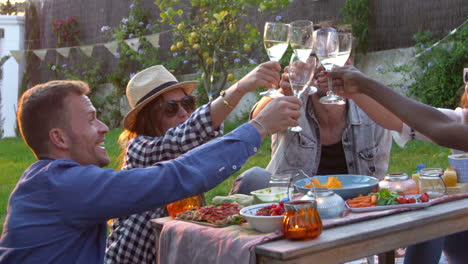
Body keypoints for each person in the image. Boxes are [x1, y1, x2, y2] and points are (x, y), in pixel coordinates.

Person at [0, 80, 301, 263]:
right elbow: (175, 176)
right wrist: (259, 127)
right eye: (91, 119)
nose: (104, 127)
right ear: (59, 139)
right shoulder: (60, 184)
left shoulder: (49, 182)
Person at [105, 62, 283, 264]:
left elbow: (212, 146)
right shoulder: (140, 149)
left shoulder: (186, 148)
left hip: (178, 249)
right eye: (171, 108)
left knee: (257, 178)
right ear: (148, 119)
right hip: (141, 259)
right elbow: (190, 132)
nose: (183, 113)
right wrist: (240, 88)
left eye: (188, 103)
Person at [325, 65, 468, 264]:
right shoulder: (463, 120)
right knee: (431, 212)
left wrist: (366, 85)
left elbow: (439, 127)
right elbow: (401, 119)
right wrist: (356, 92)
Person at [230, 48, 392, 195]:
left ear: (348, 62)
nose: (322, 65)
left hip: (354, 206)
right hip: (292, 204)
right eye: (313, 58)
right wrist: (283, 91)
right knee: (253, 178)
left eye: (330, 56)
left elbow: (376, 184)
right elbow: (257, 119)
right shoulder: (291, 100)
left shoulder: (373, 113)